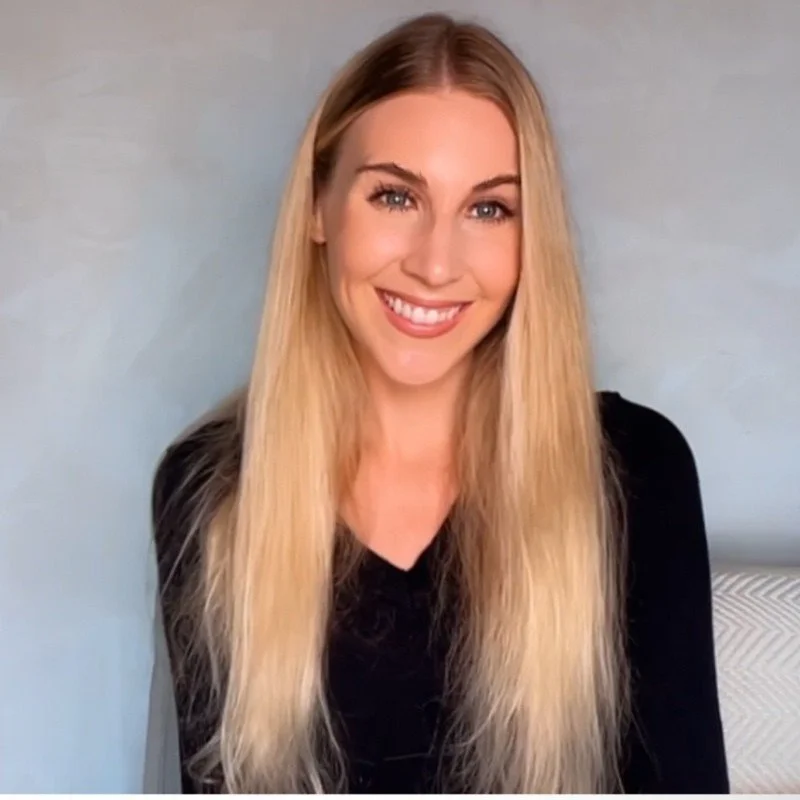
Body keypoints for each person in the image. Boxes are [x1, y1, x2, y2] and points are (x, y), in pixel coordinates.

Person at [151, 12, 729, 794]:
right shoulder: (209, 490)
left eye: (489, 209)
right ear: (319, 209)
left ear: (532, 242)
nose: (433, 263)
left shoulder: (636, 471)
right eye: (394, 196)